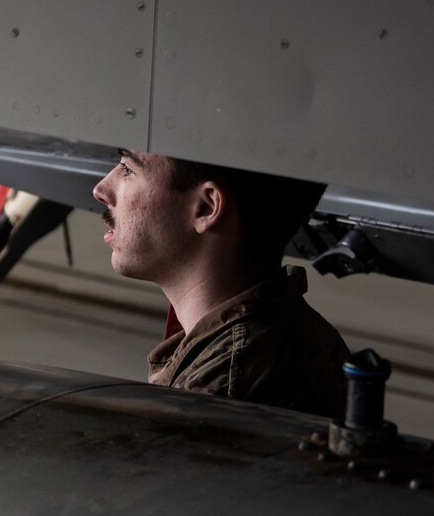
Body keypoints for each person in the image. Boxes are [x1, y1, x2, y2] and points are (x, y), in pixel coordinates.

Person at [91, 147, 348, 415]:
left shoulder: (221, 392)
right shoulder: (292, 332)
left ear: (206, 207)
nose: (101, 189)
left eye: (129, 169)